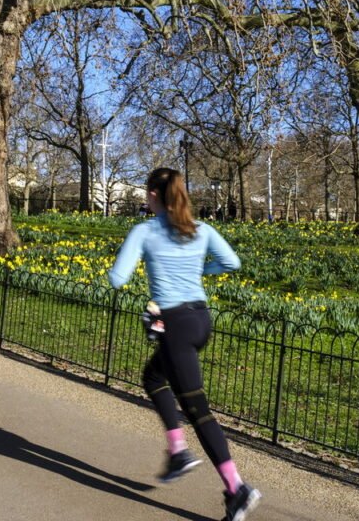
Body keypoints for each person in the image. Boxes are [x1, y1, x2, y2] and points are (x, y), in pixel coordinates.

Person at [108, 167, 261, 521]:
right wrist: (197, 273)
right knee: (152, 378)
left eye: (146, 194)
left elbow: (117, 279)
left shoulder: (144, 231)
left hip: (173, 325)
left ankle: (237, 488)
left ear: (152, 195)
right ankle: (177, 450)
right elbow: (231, 262)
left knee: (199, 412)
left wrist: (139, 261)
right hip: (199, 321)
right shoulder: (201, 229)